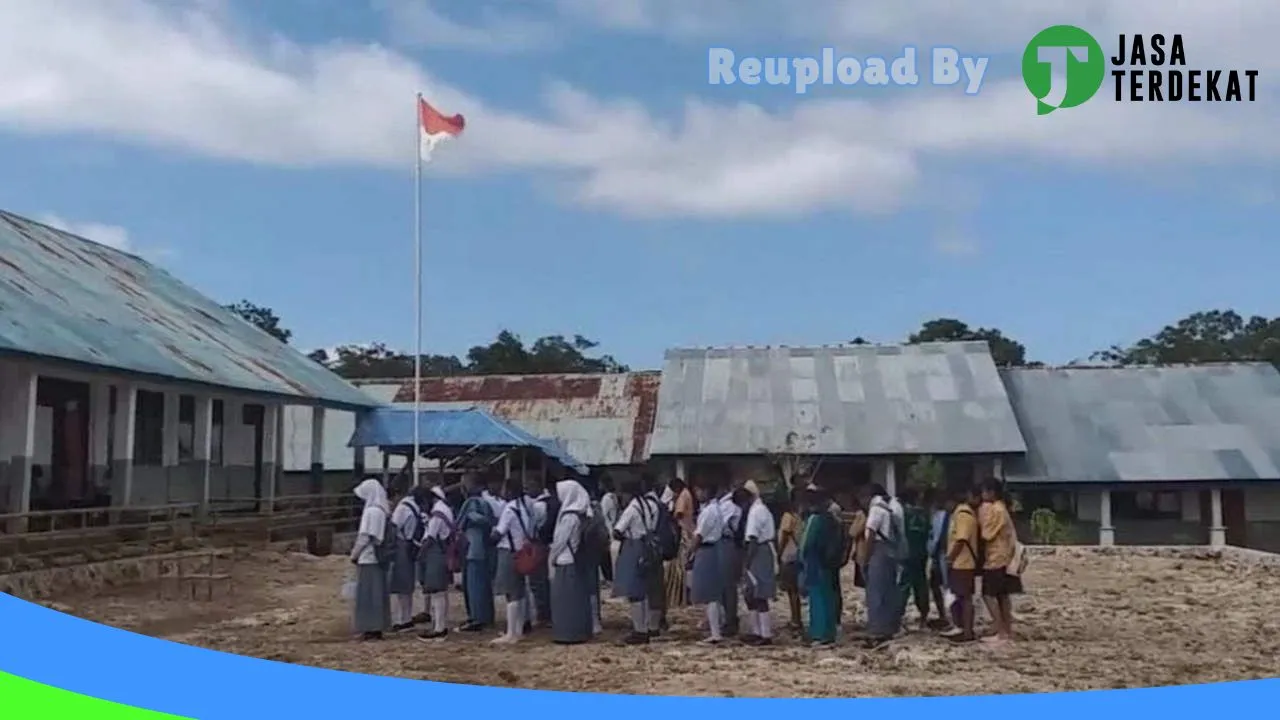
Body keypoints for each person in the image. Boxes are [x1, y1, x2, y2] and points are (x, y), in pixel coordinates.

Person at [612, 476, 658, 644]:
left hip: (633, 547)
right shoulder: (648, 505)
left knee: (634, 591)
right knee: (644, 590)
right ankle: (645, 627)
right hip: (647, 546)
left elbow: (617, 531)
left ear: (627, 493)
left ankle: (639, 630)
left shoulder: (631, 509)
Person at [549, 478, 594, 645]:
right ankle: (578, 631)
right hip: (574, 560)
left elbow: (559, 541)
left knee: (565, 602)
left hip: (564, 560)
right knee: (576, 601)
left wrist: (551, 559)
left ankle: (567, 633)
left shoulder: (569, 517)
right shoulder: (581, 514)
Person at [978, 477, 1022, 644]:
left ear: (991, 492)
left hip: (996, 558)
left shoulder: (995, 509)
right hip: (1005, 557)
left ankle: (1000, 630)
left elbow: (986, 533)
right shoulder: (1002, 508)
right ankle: (1006, 630)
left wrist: (982, 512)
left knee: (989, 595)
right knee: (1002, 595)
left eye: (984, 491)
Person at [491, 479, 534, 644]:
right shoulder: (523, 506)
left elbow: (499, 532)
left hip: (509, 552)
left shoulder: (509, 509)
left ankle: (511, 633)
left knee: (511, 593)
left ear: (509, 491)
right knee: (520, 591)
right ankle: (518, 629)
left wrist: (492, 533)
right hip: (521, 551)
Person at [350, 478, 392, 641]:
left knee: (368, 595)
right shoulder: (382, 510)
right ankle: (377, 626)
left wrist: (354, 554)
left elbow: (365, 537)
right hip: (378, 558)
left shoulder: (371, 512)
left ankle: (370, 627)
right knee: (378, 594)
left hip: (368, 558)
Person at [800, 485, 839, 647]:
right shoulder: (831, 518)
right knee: (829, 597)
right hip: (829, 562)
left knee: (817, 599)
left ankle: (819, 634)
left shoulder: (814, 519)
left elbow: (806, 544)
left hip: (815, 562)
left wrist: (801, 560)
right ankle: (829, 633)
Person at [863, 482, 900, 648]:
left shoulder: (876, 509)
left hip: (878, 551)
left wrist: (865, 558)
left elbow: (870, 534)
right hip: (890, 552)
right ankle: (888, 628)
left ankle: (876, 631)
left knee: (876, 593)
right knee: (887, 591)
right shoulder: (890, 509)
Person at [740, 480, 777, 646]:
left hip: (759, 552)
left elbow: (753, 539)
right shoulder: (760, 509)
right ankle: (757, 631)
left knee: (759, 593)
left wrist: (746, 563)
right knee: (751, 594)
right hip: (762, 550)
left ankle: (765, 634)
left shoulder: (756, 512)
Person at [458, 476, 497, 632]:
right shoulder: (486, 503)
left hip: (474, 550)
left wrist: (467, 519)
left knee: (475, 586)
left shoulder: (473, 503)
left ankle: (477, 618)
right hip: (480, 549)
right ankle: (484, 616)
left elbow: (476, 518)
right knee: (482, 585)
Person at [689, 479, 726, 645]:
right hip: (715, 549)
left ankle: (715, 632)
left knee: (709, 593)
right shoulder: (716, 508)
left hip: (707, 549)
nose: (696, 494)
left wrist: (690, 553)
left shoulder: (709, 511)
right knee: (714, 593)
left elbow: (698, 536)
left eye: (698, 490)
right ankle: (716, 627)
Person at [417, 485, 454, 641]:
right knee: (441, 592)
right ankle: (440, 626)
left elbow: (431, 538)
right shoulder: (444, 508)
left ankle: (439, 628)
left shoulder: (437, 514)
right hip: (442, 551)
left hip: (436, 553)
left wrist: (420, 555)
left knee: (437, 592)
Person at [944, 486, 980, 643]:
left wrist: (950, 558)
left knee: (965, 598)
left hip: (963, 563)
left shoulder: (963, 515)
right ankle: (961, 627)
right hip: (961, 562)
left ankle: (967, 631)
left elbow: (962, 539)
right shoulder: (961, 514)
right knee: (959, 596)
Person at [389, 485, 427, 632]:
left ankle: (404, 619)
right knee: (407, 584)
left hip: (402, 545)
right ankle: (405, 617)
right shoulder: (415, 508)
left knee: (401, 585)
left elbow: (394, 527)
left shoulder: (403, 507)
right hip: (411, 544)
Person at [897, 486, 932, 630]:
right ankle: (924, 618)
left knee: (903, 587)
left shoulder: (903, 513)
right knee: (921, 585)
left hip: (907, 554)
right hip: (922, 553)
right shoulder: (925, 513)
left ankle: (898, 617)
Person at [924, 487, 955, 632]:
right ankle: (943, 613)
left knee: (950, 586)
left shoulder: (955, 517)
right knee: (935, 584)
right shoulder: (937, 515)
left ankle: (953, 617)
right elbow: (933, 534)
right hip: (937, 554)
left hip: (948, 553)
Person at [642, 477, 669, 634]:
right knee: (657, 586)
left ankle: (654, 624)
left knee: (652, 588)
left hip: (651, 549)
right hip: (658, 549)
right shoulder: (659, 504)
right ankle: (659, 619)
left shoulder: (649, 505)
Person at [717, 483, 744, 637]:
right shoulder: (724, 505)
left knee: (728, 585)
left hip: (729, 543)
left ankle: (730, 620)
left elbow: (721, 526)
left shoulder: (730, 507)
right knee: (724, 585)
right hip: (725, 544)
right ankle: (728, 618)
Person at [776, 488, 804, 633]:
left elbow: (785, 535)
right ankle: (796, 618)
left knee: (791, 590)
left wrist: (778, 553)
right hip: (798, 555)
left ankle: (795, 620)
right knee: (795, 591)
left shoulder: (788, 516)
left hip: (789, 555)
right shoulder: (800, 515)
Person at [665, 477, 695, 611]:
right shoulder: (687, 494)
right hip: (688, 531)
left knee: (682, 566)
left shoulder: (683, 496)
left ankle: (685, 595)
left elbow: (679, 513)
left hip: (683, 532)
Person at [527, 483, 553, 628]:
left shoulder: (537, 506)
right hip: (547, 545)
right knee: (544, 580)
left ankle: (542, 614)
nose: (528, 490)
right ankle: (547, 612)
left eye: (530, 487)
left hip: (537, 544)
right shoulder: (550, 503)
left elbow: (531, 529)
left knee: (536, 581)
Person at [598, 474, 619, 585]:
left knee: (604, 556)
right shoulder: (614, 496)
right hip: (611, 526)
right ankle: (609, 577)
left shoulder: (606, 498)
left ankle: (607, 578)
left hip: (606, 528)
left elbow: (603, 514)